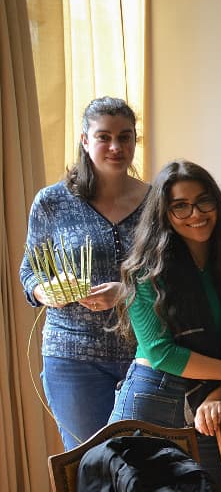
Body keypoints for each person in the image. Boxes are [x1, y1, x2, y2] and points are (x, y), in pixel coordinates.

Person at [110, 160, 221, 490]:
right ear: (164, 212)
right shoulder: (144, 270)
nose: (196, 213)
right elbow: (161, 353)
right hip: (154, 396)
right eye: (181, 206)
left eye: (203, 200)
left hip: (210, 399)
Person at [20, 97, 148, 450]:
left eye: (125, 137)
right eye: (104, 136)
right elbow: (29, 271)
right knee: (87, 465)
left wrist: (126, 292)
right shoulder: (52, 201)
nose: (115, 147)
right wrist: (46, 292)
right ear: (84, 140)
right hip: (72, 355)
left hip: (145, 354)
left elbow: (173, 276)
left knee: (142, 467)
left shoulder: (157, 202)